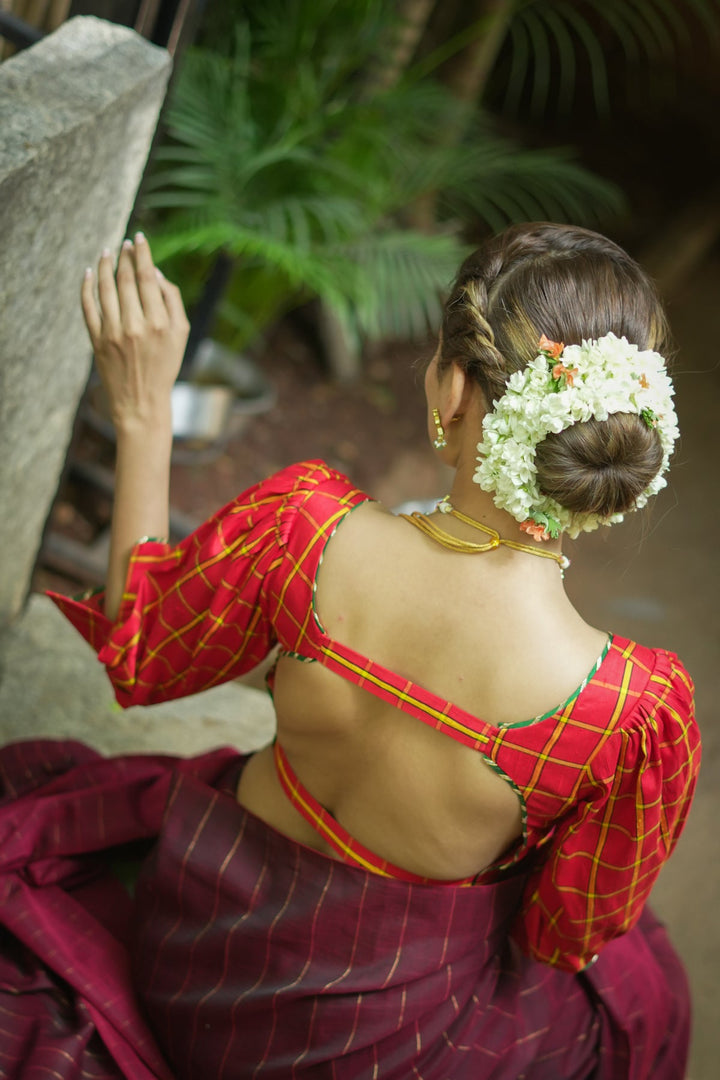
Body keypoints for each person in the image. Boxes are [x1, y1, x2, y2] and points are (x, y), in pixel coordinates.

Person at [0, 223, 700, 1080]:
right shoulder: (628, 713)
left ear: (451, 390)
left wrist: (144, 410)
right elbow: (565, 932)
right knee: (643, 984)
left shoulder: (305, 532)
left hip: (194, 948)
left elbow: (142, 649)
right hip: (372, 1043)